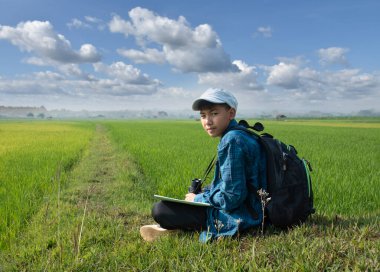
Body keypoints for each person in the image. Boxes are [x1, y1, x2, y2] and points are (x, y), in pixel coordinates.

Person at [140, 88, 267, 242]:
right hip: (255, 206)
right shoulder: (240, 134)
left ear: (231, 113)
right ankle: (177, 225)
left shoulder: (232, 140)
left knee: (161, 210)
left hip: (245, 214)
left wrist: (197, 199)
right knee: (176, 206)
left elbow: (232, 198)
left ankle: (180, 227)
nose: (208, 121)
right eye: (203, 115)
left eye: (214, 113)